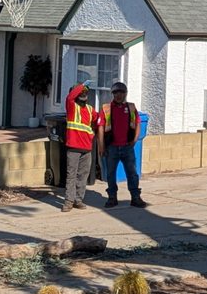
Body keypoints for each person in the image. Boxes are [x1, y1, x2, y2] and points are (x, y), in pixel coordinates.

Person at [98, 81, 147, 208]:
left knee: (132, 173)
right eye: (116, 93)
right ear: (113, 94)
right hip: (111, 147)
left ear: (125, 94)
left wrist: (135, 139)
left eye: (121, 93)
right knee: (110, 174)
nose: (118, 95)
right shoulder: (106, 109)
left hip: (127, 147)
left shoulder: (131, 108)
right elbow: (101, 127)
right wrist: (101, 145)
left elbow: (138, 123)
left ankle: (135, 197)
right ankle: (112, 198)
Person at [63, 80, 99, 212]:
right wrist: (82, 86)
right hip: (73, 148)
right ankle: (68, 201)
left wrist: (93, 133)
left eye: (85, 92)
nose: (84, 94)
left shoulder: (90, 110)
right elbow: (70, 97)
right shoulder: (72, 107)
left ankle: (78, 200)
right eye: (81, 92)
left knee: (82, 176)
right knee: (71, 175)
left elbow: (98, 120)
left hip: (86, 149)